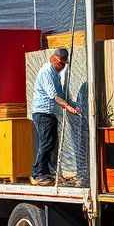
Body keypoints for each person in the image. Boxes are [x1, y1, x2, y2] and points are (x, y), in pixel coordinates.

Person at [30, 48, 80, 186]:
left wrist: (74, 105)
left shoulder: (56, 74)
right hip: (43, 113)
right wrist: (67, 107)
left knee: (52, 144)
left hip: (50, 113)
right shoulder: (47, 72)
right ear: (53, 59)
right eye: (60, 63)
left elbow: (62, 95)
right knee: (46, 143)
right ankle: (38, 174)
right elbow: (54, 95)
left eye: (64, 64)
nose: (62, 67)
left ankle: (50, 173)